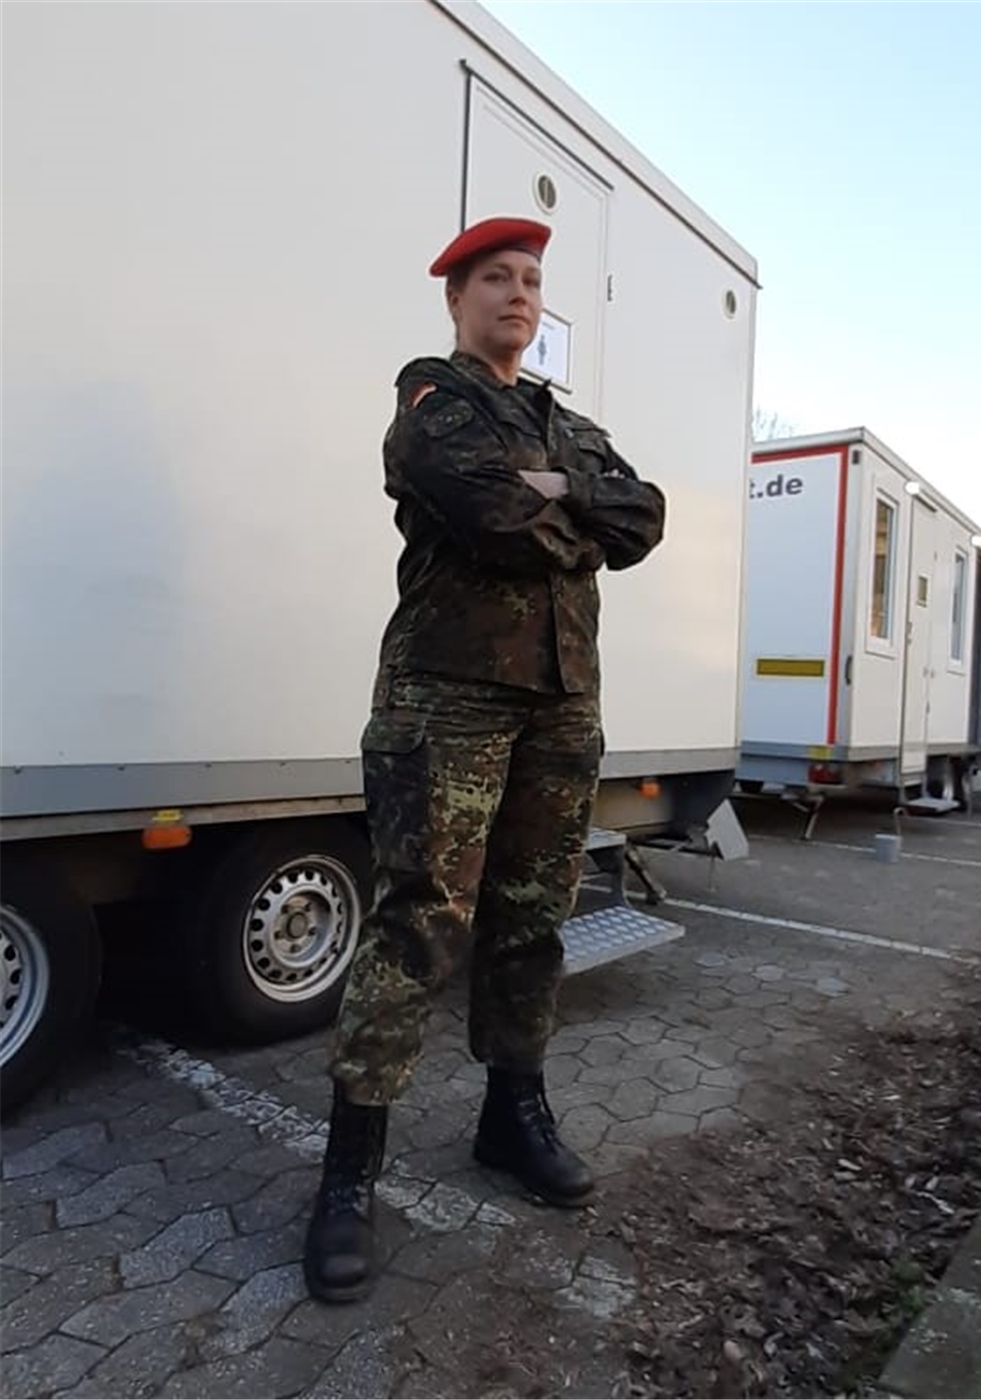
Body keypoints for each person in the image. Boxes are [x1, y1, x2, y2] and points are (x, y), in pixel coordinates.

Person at [303, 215, 666, 1303]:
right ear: (456, 299)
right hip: (448, 695)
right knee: (419, 920)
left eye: (532, 280)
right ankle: (347, 1171)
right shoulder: (433, 400)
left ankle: (513, 1115)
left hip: (563, 700)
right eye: (496, 278)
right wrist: (568, 503)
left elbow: (644, 517)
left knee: (532, 917)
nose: (518, 294)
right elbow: (496, 514)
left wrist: (558, 488)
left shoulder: (567, 423)